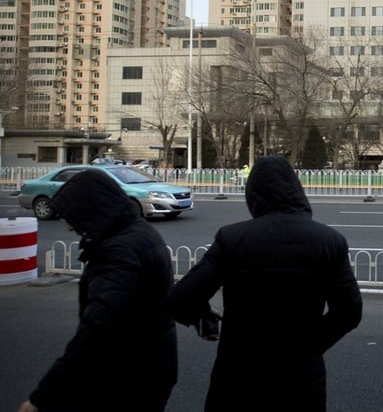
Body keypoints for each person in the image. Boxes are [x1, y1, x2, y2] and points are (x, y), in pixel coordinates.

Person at [166, 155, 362, 412]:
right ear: (297, 191)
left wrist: (204, 318)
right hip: (302, 378)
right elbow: (349, 311)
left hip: (240, 373)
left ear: (253, 196)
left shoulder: (233, 238)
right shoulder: (330, 240)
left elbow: (181, 299)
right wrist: (310, 345)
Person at [19, 168, 178, 412]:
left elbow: (98, 328)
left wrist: (43, 396)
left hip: (127, 375)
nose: (70, 227)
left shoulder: (118, 251)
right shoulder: (137, 232)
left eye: (73, 216)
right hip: (149, 364)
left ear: (92, 208)